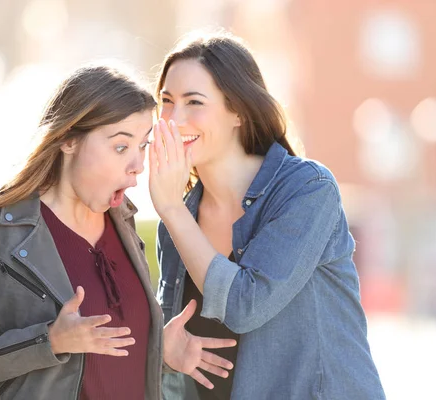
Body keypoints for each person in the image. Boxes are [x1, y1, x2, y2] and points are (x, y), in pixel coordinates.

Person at [0, 64, 237, 400]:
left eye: (142, 146)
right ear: (69, 140)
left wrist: (157, 350)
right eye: (121, 147)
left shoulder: (124, 223)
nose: (137, 165)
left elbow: (104, 357)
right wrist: (49, 341)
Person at [149, 32, 386, 399]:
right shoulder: (179, 220)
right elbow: (172, 351)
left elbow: (246, 305)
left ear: (239, 111)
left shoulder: (306, 189)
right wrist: (163, 352)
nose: (175, 119)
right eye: (166, 101)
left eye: (194, 102)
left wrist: (170, 210)